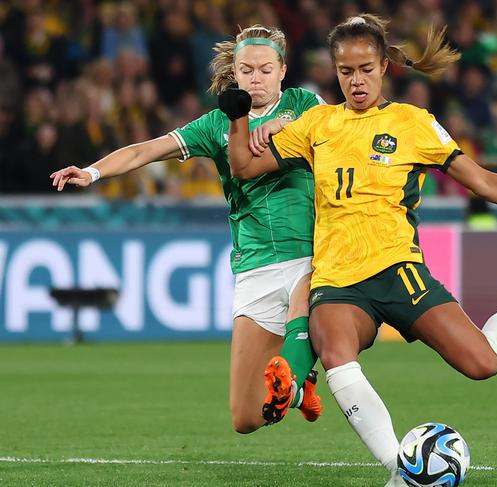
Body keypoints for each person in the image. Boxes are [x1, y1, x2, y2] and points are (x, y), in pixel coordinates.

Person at [220, 14, 497, 486]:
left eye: (364, 69)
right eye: (345, 71)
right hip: (338, 279)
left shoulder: (413, 123)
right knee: (336, 351)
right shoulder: (316, 124)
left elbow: (480, 181)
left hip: (399, 270)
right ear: (335, 73)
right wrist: (238, 118)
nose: (355, 81)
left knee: (481, 364)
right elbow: (243, 167)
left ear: (384, 67)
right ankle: (400, 475)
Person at [50, 25, 324, 433]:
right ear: (234, 72)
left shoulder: (307, 104)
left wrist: (283, 127)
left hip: (313, 255)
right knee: (245, 418)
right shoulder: (217, 124)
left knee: (336, 345)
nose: (256, 78)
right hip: (256, 266)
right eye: (246, 70)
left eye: (265, 69)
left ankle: (335, 399)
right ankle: (300, 390)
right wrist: (92, 172)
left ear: (283, 70)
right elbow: (147, 149)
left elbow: (344, 133)